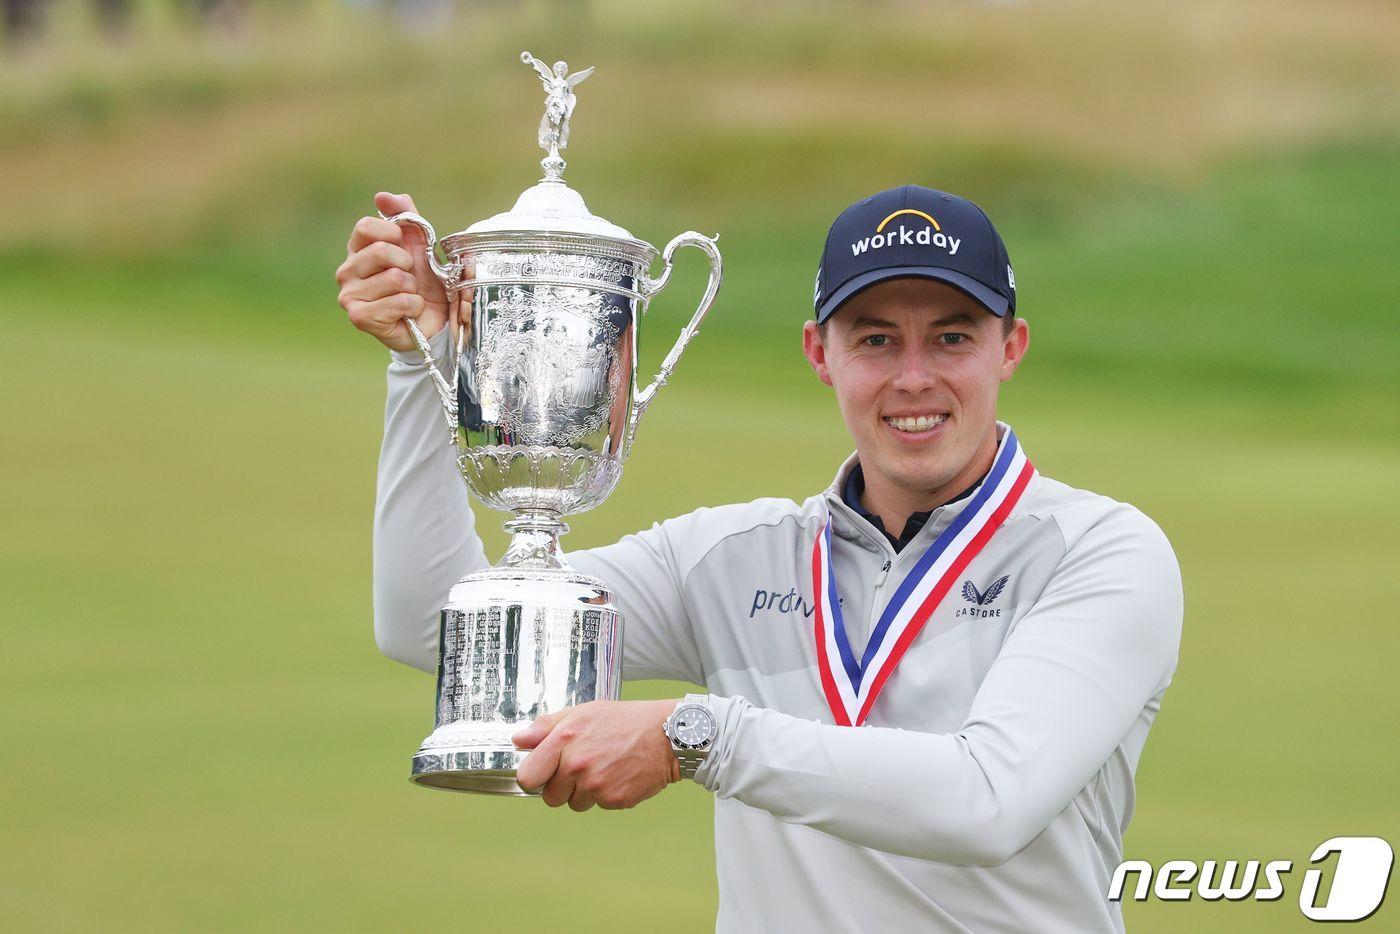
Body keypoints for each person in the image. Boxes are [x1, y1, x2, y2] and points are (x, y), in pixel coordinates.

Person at [335, 183, 1184, 932]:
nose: (914, 377)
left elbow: (989, 801)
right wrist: (425, 365)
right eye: (876, 340)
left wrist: (692, 736)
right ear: (821, 353)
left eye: (953, 338)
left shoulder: (1102, 551)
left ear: (1012, 348)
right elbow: (432, 625)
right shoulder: (732, 559)